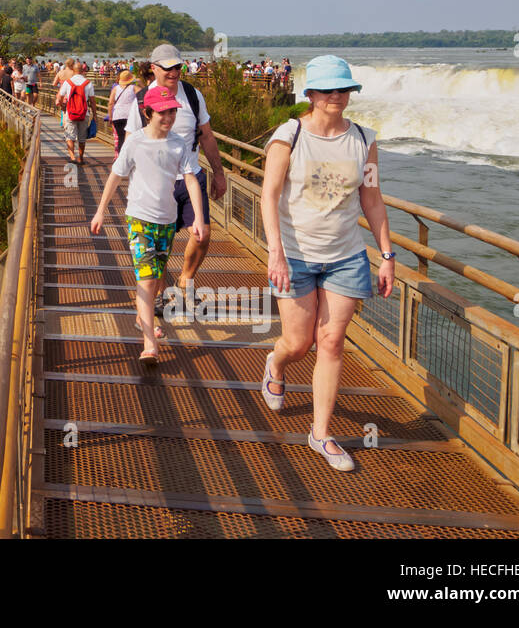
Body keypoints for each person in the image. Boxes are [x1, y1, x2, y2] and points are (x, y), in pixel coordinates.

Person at [260, 55, 395, 472]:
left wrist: (387, 255)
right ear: (312, 95)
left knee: (332, 343)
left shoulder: (363, 139)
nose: (338, 97)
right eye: (329, 90)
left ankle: (320, 433)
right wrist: (276, 251)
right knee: (298, 344)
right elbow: (269, 195)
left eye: (344, 90)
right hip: (296, 256)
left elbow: (371, 199)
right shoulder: (289, 135)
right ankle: (276, 363)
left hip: (345, 256)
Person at [91, 85, 207, 363]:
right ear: (147, 113)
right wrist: (100, 211)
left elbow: (190, 178)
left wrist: (199, 218)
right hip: (139, 220)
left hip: (166, 221)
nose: (168, 118)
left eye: (172, 113)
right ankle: (149, 343)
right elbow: (115, 176)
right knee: (145, 279)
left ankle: (141, 318)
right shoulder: (135, 142)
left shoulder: (178, 143)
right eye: (162, 113)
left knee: (155, 279)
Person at [125, 45, 227, 303]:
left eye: (177, 67)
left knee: (202, 233)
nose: (173, 72)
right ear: (154, 68)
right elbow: (130, 142)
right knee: (159, 246)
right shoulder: (141, 99)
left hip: (191, 176)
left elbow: (207, 135)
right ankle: (159, 295)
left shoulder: (192, 95)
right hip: (157, 183)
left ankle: (185, 280)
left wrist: (219, 173)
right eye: (167, 67)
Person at [56, 61, 96, 165]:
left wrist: (62, 106)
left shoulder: (68, 82)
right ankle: (81, 158)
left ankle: (72, 157)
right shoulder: (88, 83)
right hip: (84, 113)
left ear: (73, 70)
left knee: (70, 136)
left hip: (71, 113)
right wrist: (94, 115)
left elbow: (60, 96)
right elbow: (92, 101)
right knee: (82, 137)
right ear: (83, 71)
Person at [106, 70, 138, 157]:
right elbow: (145, 93)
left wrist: (110, 116)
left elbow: (110, 103)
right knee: (130, 138)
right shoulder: (133, 87)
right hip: (130, 116)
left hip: (117, 116)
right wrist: (140, 82)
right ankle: (129, 157)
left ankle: (121, 157)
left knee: (121, 138)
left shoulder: (116, 89)